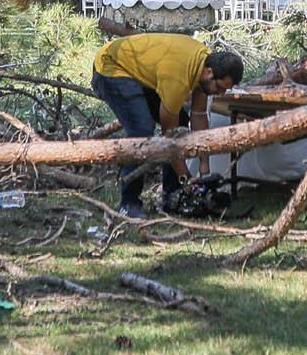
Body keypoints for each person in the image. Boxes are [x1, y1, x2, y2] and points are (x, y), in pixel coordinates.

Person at [91, 33, 244, 218]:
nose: (220, 93)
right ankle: (128, 203)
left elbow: (199, 117)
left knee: (180, 120)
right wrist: (186, 179)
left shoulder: (204, 67)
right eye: (220, 88)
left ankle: (172, 197)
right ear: (210, 73)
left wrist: (205, 169)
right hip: (110, 66)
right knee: (141, 131)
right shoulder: (178, 78)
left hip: (139, 72)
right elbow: (169, 137)